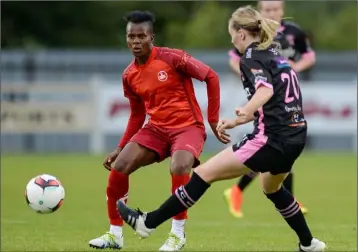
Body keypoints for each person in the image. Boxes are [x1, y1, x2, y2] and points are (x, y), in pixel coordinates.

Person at [116, 5, 327, 252]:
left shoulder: (250, 57)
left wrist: (247, 110)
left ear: (241, 33)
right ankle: (308, 244)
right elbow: (276, 101)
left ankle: (147, 223)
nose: (231, 40)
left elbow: (266, 91)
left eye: (231, 34)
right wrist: (238, 121)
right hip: (295, 136)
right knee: (271, 188)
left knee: (204, 173)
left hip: (271, 139)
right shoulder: (274, 53)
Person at [88, 10, 228, 251]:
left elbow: (211, 77)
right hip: (156, 130)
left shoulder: (174, 58)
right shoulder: (129, 75)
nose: (135, 41)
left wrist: (213, 121)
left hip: (188, 127)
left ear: (151, 36)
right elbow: (136, 114)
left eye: (141, 36)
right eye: (131, 36)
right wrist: (121, 147)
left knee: (179, 165)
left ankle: (177, 234)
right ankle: (115, 234)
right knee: (119, 166)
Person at [225, 0, 316, 218]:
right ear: (259, 11)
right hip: (266, 96)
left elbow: (309, 57)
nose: (272, 13)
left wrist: (295, 67)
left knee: (273, 151)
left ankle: (237, 191)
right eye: (267, 10)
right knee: (271, 147)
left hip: (283, 96)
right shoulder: (253, 33)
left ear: (283, 10)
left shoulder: (293, 33)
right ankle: (241, 192)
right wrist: (254, 77)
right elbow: (234, 58)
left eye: (276, 9)